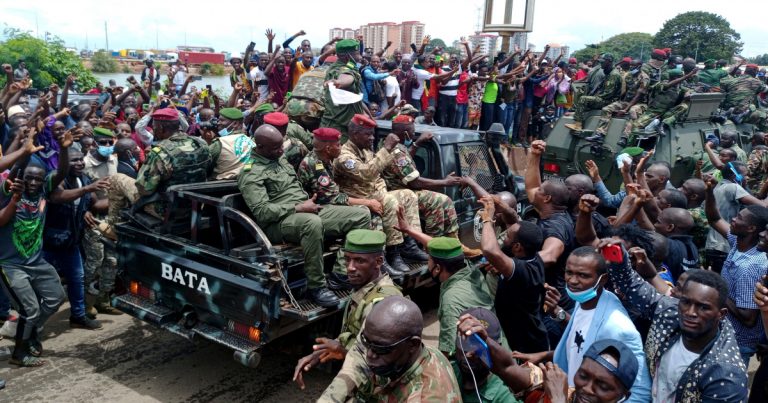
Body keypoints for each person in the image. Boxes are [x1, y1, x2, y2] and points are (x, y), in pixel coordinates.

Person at [237, 124, 370, 307]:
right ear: (260, 147)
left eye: (281, 145)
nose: (281, 150)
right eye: (276, 148)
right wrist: (298, 207)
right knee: (311, 223)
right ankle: (316, 286)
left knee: (361, 214)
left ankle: (340, 274)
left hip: (306, 210)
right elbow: (263, 212)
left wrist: (307, 205)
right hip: (279, 223)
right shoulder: (250, 172)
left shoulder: (279, 159)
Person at [604, 239, 748, 402]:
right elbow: (631, 285)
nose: (690, 312)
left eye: (703, 307)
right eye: (686, 302)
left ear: (721, 314)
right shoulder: (670, 311)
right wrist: (617, 257)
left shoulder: (725, 373)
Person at [514, 246, 652, 403]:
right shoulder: (585, 300)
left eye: (583, 275)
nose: (572, 280)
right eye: (569, 272)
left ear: (603, 279)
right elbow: (582, 339)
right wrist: (544, 354)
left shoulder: (618, 328)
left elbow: (641, 392)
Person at [0, 127, 74, 367]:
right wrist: (24, 152)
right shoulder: (9, 190)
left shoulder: (43, 190)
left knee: (55, 297)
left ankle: (30, 331)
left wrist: (64, 149)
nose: (32, 182)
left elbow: (61, 172)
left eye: (37, 179)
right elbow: (13, 176)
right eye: (28, 178)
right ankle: (19, 354)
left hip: (36, 261)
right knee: (29, 308)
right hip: (10, 265)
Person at [293, 229, 401, 391]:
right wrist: (317, 354)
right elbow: (356, 336)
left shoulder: (380, 305)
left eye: (359, 261)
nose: (350, 268)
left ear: (378, 262)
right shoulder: (364, 287)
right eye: (347, 260)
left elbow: (374, 361)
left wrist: (342, 351)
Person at [320, 296, 461, 402]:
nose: (370, 354)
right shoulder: (409, 356)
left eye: (381, 349)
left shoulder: (424, 397)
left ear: (412, 345)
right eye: (366, 341)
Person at [334, 115, 425, 275]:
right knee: (389, 200)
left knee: (408, 195)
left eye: (372, 134)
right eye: (367, 134)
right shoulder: (344, 156)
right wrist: (386, 148)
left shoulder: (367, 151)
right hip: (357, 201)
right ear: (355, 135)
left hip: (374, 195)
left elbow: (378, 178)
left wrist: (381, 192)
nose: (372, 138)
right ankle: (391, 254)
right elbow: (366, 174)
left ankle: (409, 245)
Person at [704, 175, 768, 365]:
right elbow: (714, 218)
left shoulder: (752, 267)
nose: (732, 219)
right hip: (726, 335)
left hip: (738, 343)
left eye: (739, 218)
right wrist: (709, 191)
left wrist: (717, 288)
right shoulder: (737, 243)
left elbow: (748, 318)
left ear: (750, 228)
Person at [43, 149, 108, 330]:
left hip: (71, 241)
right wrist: (86, 189)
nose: (79, 163)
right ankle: (32, 324)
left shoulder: (84, 178)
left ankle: (78, 316)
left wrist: (121, 198)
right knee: (39, 285)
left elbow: (95, 204)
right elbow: (57, 197)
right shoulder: (55, 179)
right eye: (74, 161)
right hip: (48, 243)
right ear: (63, 163)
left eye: (81, 160)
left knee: (76, 279)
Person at [479, 196, 548, 353]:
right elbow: (513, 221)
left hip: (527, 344)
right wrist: (495, 203)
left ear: (517, 247)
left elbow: (489, 249)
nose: (504, 238)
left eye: (507, 237)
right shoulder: (532, 256)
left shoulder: (524, 270)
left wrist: (487, 219)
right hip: (525, 336)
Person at [385, 115, 461, 238]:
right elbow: (415, 183)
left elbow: (405, 160)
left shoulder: (394, 145)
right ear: (405, 133)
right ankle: (432, 243)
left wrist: (418, 142)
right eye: (412, 132)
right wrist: (445, 182)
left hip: (405, 190)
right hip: (400, 193)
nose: (413, 134)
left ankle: (453, 239)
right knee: (437, 200)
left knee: (446, 201)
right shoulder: (396, 151)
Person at [82, 126, 120, 316]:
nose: (107, 146)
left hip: (113, 216)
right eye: (102, 143)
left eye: (110, 142)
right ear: (95, 143)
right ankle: (85, 303)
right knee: (94, 262)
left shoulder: (114, 157)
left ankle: (103, 299)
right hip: (94, 218)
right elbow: (85, 196)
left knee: (112, 261)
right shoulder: (85, 164)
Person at [452, 308, 519, 403]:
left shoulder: (504, 397)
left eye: (479, 348)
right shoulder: (446, 370)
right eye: (465, 344)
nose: (468, 354)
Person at [320, 39, 365, 141]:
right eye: (357, 53)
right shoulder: (342, 70)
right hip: (338, 130)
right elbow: (347, 77)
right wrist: (339, 82)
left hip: (336, 125)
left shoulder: (344, 66)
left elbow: (356, 98)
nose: (360, 56)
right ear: (348, 56)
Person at [564, 53, 623, 132]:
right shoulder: (608, 72)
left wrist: (595, 97)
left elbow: (608, 94)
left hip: (609, 101)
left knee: (583, 99)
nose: (601, 63)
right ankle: (579, 116)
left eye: (603, 62)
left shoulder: (614, 75)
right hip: (605, 98)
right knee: (583, 98)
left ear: (609, 61)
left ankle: (577, 125)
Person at [204, 107, 254, 180]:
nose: (218, 123)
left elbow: (205, 167)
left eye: (222, 120)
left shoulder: (219, 144)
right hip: (245, 183)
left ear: (235, 124)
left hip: (221, 187)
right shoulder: (251, 141)